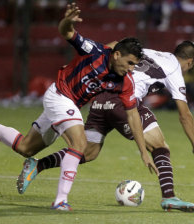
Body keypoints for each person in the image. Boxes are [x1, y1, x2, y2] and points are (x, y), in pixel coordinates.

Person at [0, 3, 158, 211]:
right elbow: (67, 32)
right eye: (130, 63)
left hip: (69, 105)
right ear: (116, 55)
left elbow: (133, 116)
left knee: (26, 148)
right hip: (59, 96)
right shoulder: (93, 51)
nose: (131, 69)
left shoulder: (125, 81)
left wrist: (143, 152)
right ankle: (60, 200)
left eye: (134, 65)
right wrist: (67, 20)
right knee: (79, 144)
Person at [16, 40, 194, 212]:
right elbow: (185, 115)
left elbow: (113, 46)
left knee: (88, 151)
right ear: (190, 62)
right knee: (160, 146)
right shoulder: (175, 70)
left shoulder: (149, 53)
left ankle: (38, 165)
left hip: (102, 96)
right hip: (124, 100)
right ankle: (169, 197)